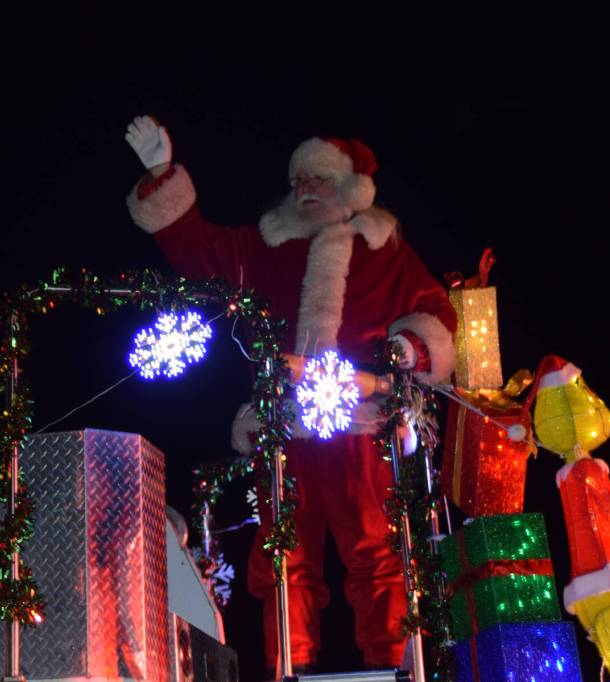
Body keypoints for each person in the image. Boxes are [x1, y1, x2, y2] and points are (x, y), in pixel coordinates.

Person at [124, 115, 457, 672]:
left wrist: (406, 349)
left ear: (350, 189)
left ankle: (394, 667)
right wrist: (161, 172)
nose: (304, 189)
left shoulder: (385, 248)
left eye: (318, 179)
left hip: (361, 428)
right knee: (283, 565)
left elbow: (436, 313)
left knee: (379, 558)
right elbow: (197, 248)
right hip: (284, 434)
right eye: (298, 180)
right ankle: (288, 669)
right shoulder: (264, 247)